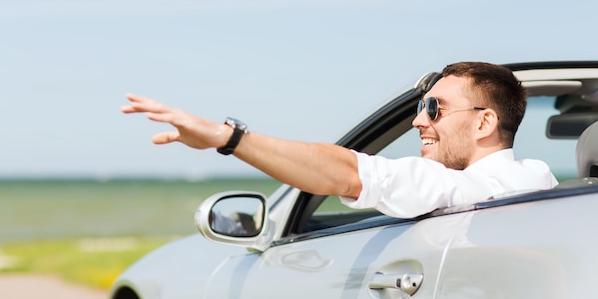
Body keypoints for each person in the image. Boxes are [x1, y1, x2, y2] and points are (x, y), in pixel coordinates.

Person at [121, 61, 558, 219]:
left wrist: (228, 137)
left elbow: (347, 173)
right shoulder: (543, 185)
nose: (416, 123)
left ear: (484, 124)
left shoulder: (457, 188)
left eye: (433, 109)